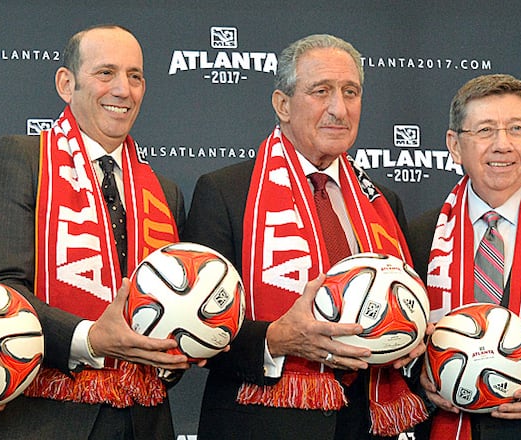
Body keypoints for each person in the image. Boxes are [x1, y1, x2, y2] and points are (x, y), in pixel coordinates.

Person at [183, 33, 427, 439]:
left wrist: (412, 339)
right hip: (262, 425)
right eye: (321, 91)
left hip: (366, 426)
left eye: (351, 92)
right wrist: (276, 340)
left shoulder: (384, 203)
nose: (339, 108)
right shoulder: (226, 192)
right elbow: (194, 326)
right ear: (283, 105)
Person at [0, 24, 190, 439]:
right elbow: (1, 290)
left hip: (148, 421)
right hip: (46, 417)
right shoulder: (21, 158)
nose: (123, 90)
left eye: (135, 76)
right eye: (105, 73)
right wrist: (89, 338)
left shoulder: (164, 192)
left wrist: (182, 345)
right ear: (66, 83)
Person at [408, 73, 521, 439]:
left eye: (516, 129)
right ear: (455, 145)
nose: (502, 144)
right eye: (485, 130)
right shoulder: (418, 236)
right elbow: (398, 345)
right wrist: (418, 376)